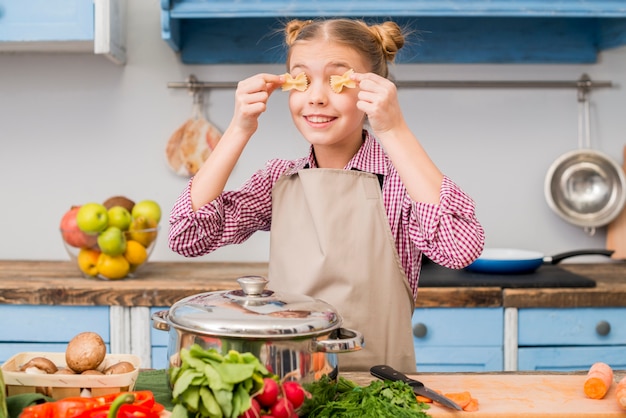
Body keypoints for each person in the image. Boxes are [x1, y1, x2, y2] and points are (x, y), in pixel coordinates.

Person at [169, 18, 485, 372]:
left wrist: (394, 129)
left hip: (380, 393)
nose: (317, 97)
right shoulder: (279, 179)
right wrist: (239, 129)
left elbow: (458, 249)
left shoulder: (399, 182)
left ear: (373, 90)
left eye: (339, 80)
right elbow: (187, 236)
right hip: (290, 389)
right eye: (301, 80)